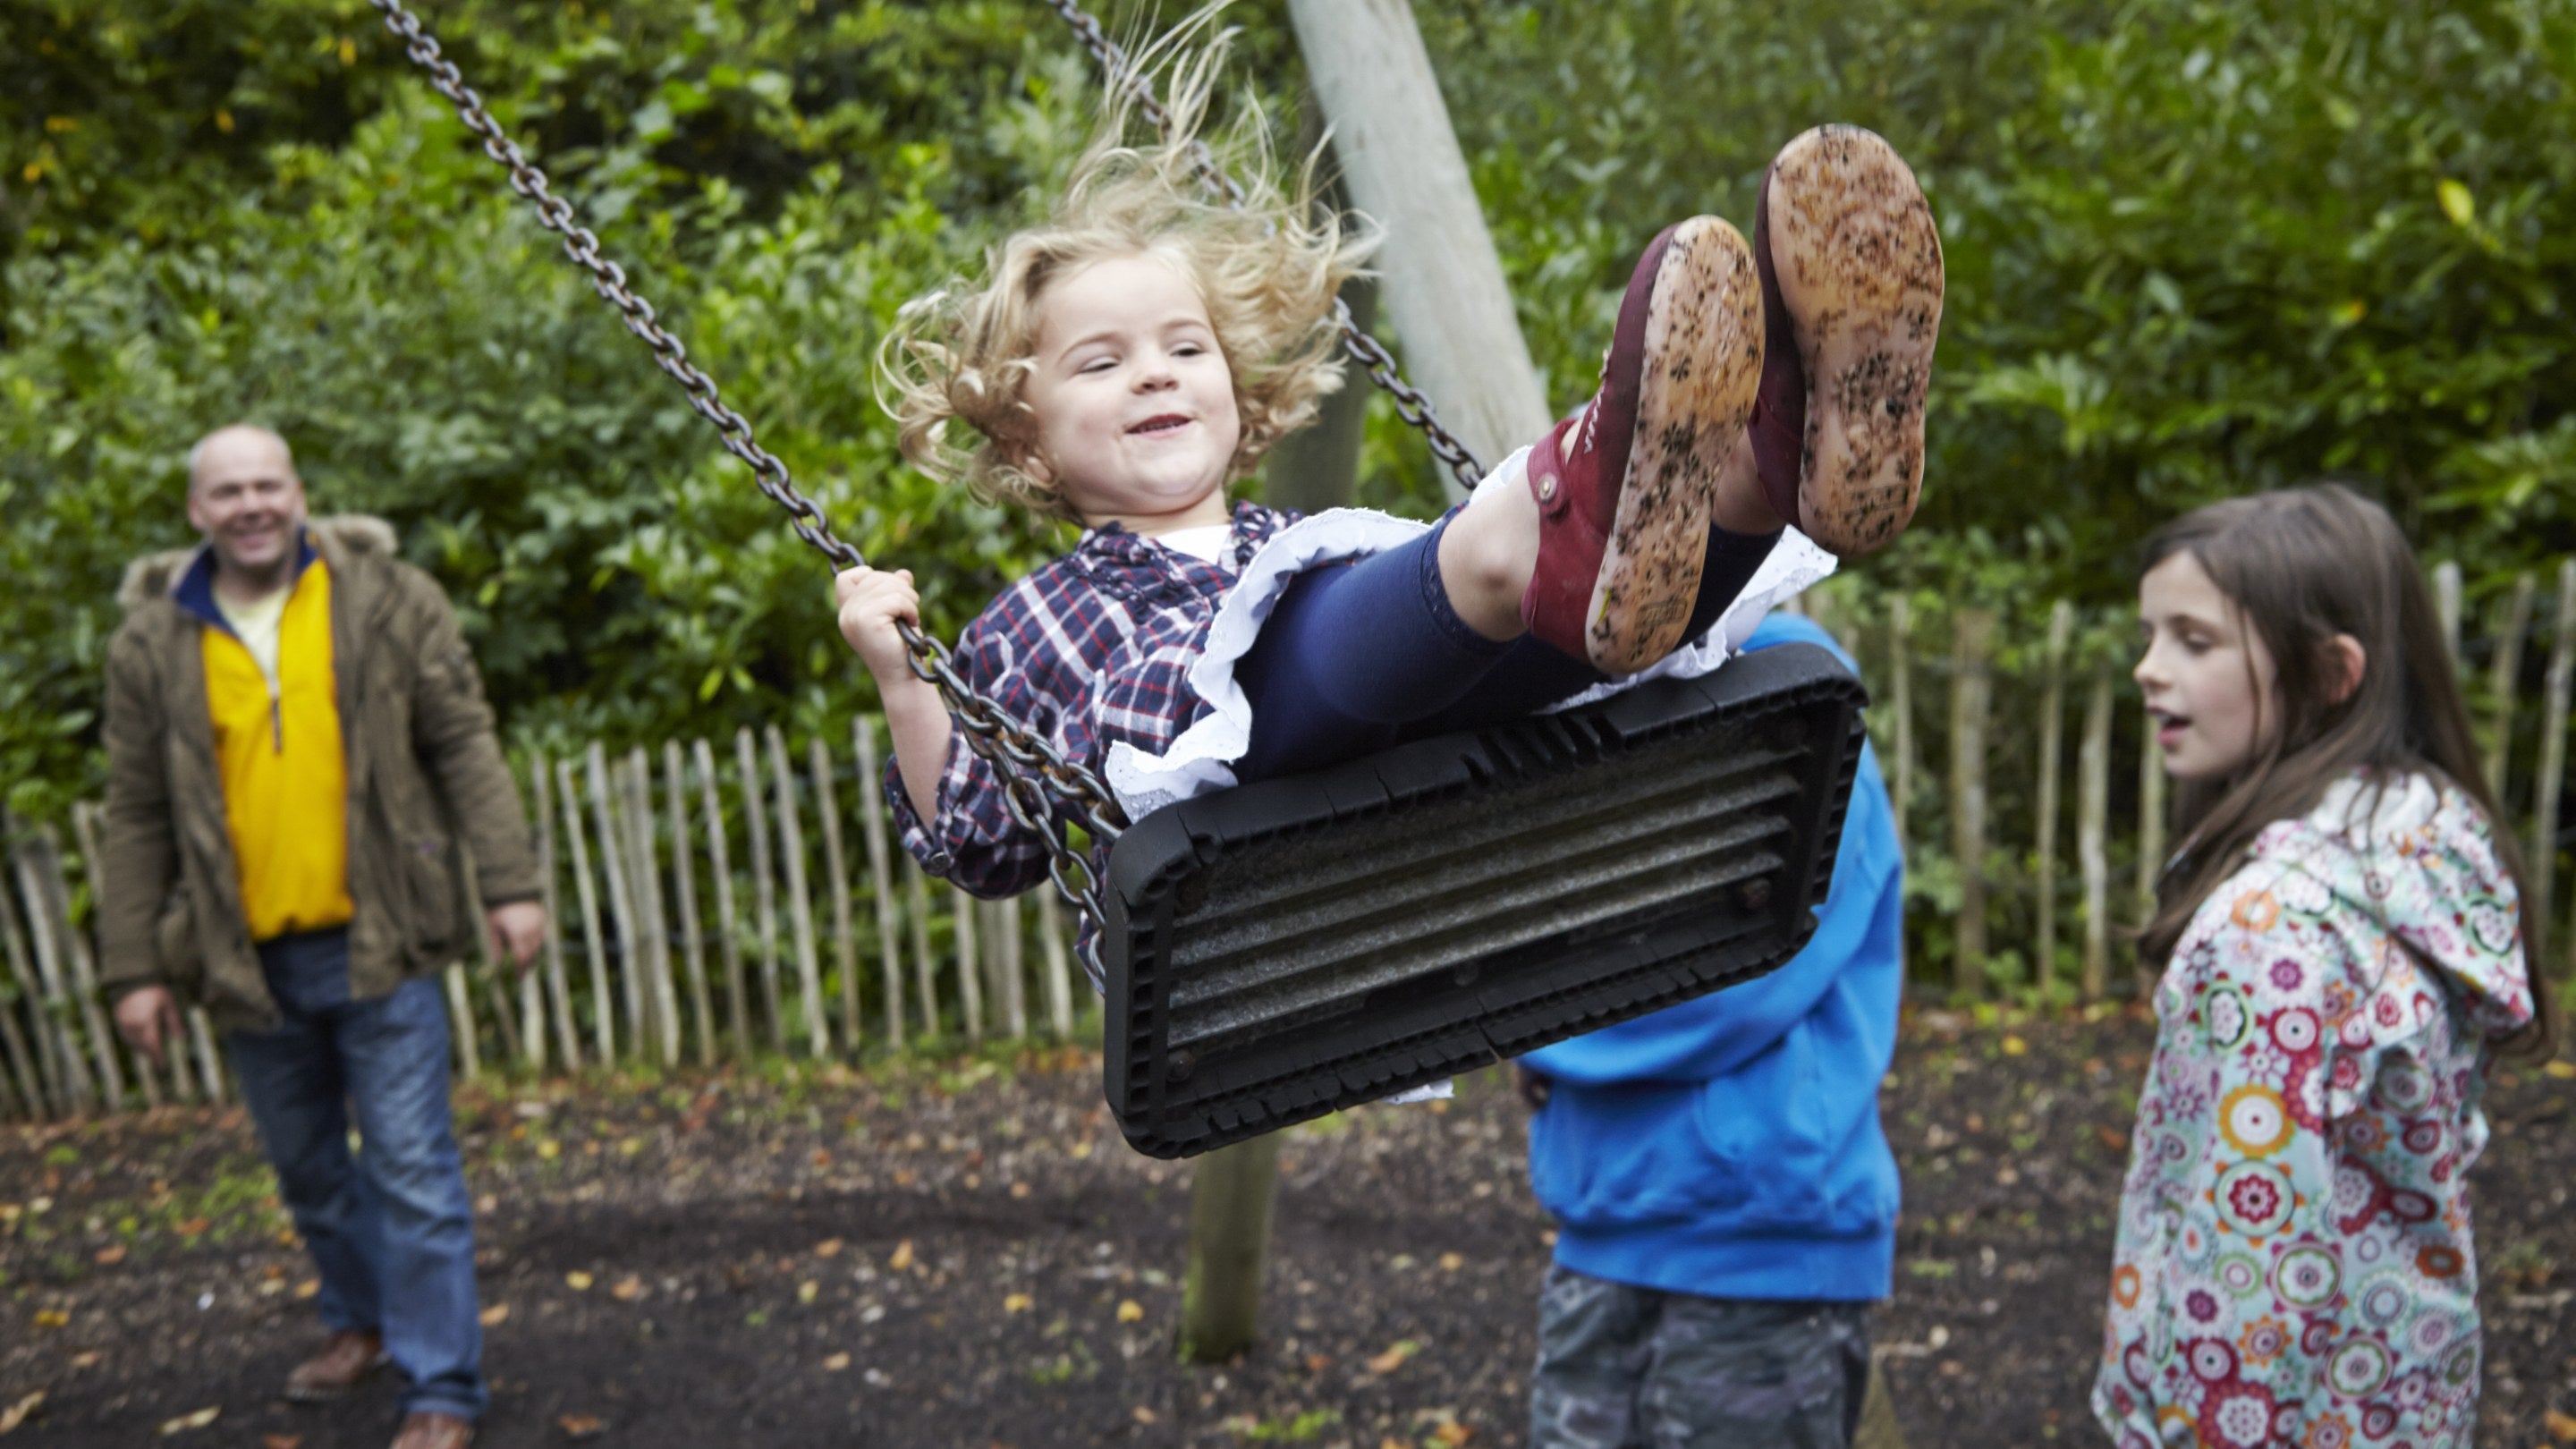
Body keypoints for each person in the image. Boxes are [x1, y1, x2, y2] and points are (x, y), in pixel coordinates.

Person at [833, 33, 1945, 918]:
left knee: (1568, 628)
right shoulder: (1036, 620)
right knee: (1356, 612)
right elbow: (980, 842)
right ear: (1026, 439)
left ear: (1236, 391)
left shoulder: (1292, 542)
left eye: (1184, 348)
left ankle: (1762, 476)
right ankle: (1557, 505)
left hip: (1428, 770)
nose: (1154, 377)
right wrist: (900, 675)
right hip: (1249, 831)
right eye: (1101, 362)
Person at [97, 425, 547, 1449]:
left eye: (267, 484)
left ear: (298, 493)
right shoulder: (149, 642)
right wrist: (132, 968)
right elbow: (134, 812)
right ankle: (363, 1320)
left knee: (413, 1169)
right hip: (240, 959)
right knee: (308, 1171)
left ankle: (442, 1387)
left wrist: (510, 883)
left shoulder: (389, 597)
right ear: (195, 513)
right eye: (228, 491)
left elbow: (463, 739)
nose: (250, 504)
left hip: (384, 939)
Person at [2094, 484, 2559, 1449]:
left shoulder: (2268, 934)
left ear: (2329, 672)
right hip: (2400, 1396)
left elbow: (2244, 1266)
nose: (2148, 670)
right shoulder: (2430, 841)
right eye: (2150, 635)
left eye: (2195, 640)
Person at [1513, 610, 1903, 1449]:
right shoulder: (1572, 692)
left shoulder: (1795, 690)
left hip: (1762, 1250)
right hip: (1602, 1227)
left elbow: (1746, 969)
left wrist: (1536, 1031)